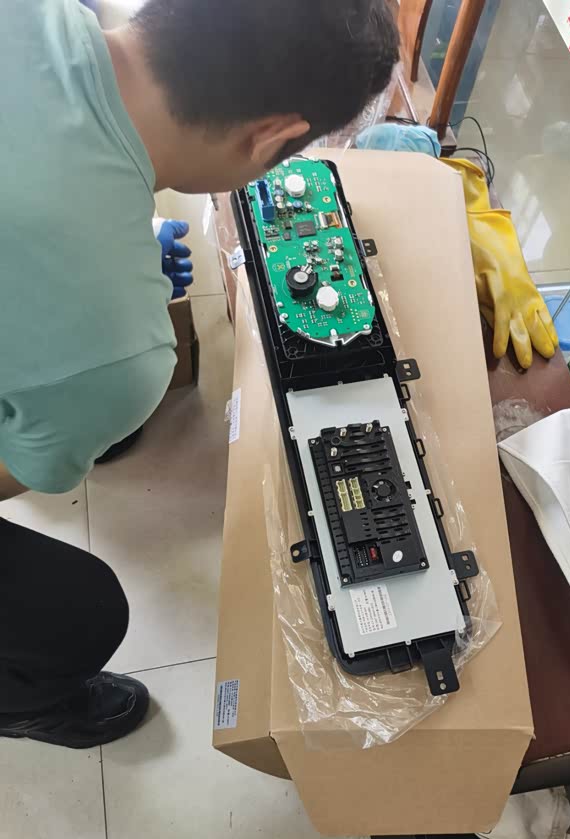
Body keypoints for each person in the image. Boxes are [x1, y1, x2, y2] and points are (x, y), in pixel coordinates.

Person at [0, 0, 399, 749]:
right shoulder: (122, 360)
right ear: (272, 138)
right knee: (79, 617)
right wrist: (91, 347)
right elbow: (13, 470)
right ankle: (24, 704)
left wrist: (103, 241)